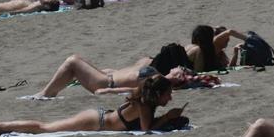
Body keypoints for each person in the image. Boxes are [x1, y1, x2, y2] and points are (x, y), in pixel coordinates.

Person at [0, 74, 186, 137]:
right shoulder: (144, 105)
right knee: (44, 128)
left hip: (98, 117)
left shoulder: (145, 101)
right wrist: (168, 117)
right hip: (94, 121)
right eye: (168, 94)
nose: (170, 98)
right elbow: (146, 129)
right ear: (158, 94)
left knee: (45, 127)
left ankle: (0, 126)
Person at [31, 44, 195, 98]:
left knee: (73, 61)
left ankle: (45, 94)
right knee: (78, 61)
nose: (176, 67)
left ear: (177, 76)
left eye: (179, 70)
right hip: (106, 77)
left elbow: (134, 90)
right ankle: (48, 91)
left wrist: (108, 90)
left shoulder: (157, 79)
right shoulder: (157, 76)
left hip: (105, 82)